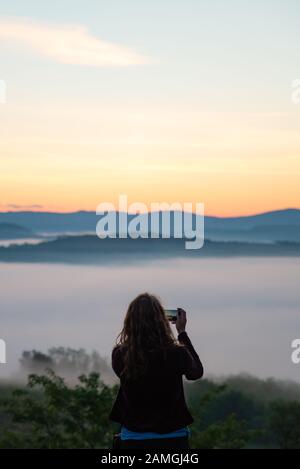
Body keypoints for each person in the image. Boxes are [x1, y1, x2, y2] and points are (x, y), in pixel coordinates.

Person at [109, 293, 204, 449]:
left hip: (133, 439)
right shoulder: (176, 353)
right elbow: (196, 373)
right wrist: (182, 333)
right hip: (173, 438)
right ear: (162, 321)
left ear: (130, 321)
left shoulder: (120, 355)